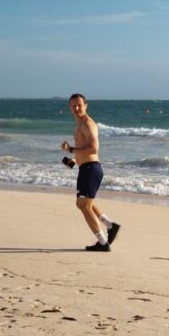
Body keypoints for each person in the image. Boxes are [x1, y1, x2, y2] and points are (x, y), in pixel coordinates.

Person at [62, 93, 121, 251]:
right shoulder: (79, 125)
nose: (76, 108)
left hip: (91, 169)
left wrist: (71, 148)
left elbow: (94, 148)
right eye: (73, 105)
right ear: (69, 107)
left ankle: (103, 243)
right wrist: (72, 161)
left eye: (79, 104)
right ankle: (110, 226)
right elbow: (84, 150)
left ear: (86, 105)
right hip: (86, 168)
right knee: (85, 204)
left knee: (84, 206)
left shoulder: (87, 123)